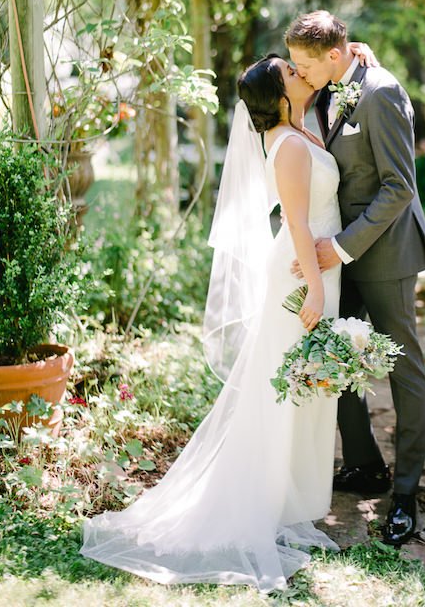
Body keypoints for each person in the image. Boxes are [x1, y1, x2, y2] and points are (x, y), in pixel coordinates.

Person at [81, 54, 343, 592]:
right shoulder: (291, 145)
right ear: (278, 94)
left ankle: (287, 499)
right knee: (285, 392)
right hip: (301, 273)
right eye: (290, 72)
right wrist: (315, 285)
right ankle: (263, 502)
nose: (299, 72)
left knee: (299, 388)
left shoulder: (297, 131)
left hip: (315, 266)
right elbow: (295, 222)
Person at [284, 10, 425, 546]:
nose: (299, 73)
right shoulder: (330, 81)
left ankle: (406, 492)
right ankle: (364, 465)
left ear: (333, 54)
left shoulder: (381, 92)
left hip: (383, 253)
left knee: (402, 368)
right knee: (337, 357)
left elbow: (398, 186)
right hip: (333, 249)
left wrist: (342, 248)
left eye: (305, 64)